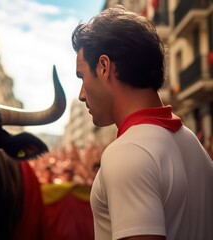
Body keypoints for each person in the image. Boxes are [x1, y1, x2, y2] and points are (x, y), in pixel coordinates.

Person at [71, 5, 213, 240]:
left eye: (82, 77)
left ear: (104, 67)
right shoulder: (192, 144)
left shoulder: (127, 152)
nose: (81, 94)